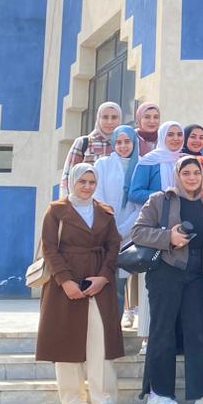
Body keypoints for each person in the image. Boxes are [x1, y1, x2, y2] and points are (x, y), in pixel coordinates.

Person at [130, 155, 203, 404]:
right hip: (165, 273)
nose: (192, 178)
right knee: (163, 332)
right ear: (177, 175)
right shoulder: (160, 200)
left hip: (195, 277)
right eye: (186, 173)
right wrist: (168, 237)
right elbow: (137, 232)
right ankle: (158, 392)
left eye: (196, 173)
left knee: (197, 334)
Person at [36, 163, 124, 404]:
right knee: (67, 338)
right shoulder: (56, 211)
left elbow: (113, 247)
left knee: (100, 339)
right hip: (65, 283)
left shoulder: (104, 212)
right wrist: (65, 281)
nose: (87, 187)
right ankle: (73, 397)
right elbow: (49, 247)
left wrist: (104, 277)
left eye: (92, 182)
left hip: (98, 282)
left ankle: (103, 396)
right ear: (72, 182)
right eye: (82, 181)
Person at [93, 125, 142, 329]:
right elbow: (97, 197)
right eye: (119, 142)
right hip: (104, 232)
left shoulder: (142, 165)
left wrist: (122, 231)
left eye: (127, 142)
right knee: (103, 280)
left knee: (121, 284)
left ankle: (115, 329)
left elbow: (141, 206)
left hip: (129, 234)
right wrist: (110, 229)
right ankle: (101, 328)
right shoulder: (103, 164)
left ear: (134, 143)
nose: (123, 146)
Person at [60, 101, 121, 196]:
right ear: (98, 118)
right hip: (86, 200)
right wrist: (68, 202)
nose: (109, 122)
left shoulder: (125, 145)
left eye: (114, 117)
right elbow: (68, 176)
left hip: (116, 201)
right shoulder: (83, 143)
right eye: (105, 117)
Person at [129, 121, 185, 206]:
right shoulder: (148, 161)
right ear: (162, 136)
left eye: (180, 134)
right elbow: (134, 194)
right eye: (170, 135)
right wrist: (164, 196)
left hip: (181, 212)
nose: (176, 138)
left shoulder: (184, 160)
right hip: (154, 212)